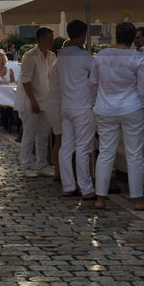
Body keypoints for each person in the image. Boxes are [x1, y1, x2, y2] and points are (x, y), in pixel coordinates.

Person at [91, 21, 144, 210]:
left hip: (105, 109)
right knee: (134, 154)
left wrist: (101, 96)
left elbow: (92, 83)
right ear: (133, 38)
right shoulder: (137, 58)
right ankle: (137, 199)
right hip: (132, 108)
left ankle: (100, 198)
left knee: (105, 153)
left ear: (116, 35)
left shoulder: (100, 56)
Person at [55, 20, 96, 200]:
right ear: (83, 35)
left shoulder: (62, 54)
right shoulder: (84, 55)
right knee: (83, 148)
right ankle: (86, 188)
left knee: (66, 147)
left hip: (66, 105)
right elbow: (97, 75)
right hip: (82, 105)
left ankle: (68, 186)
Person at [15, 27, 56, 178]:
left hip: (46, 100)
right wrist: (33, 101)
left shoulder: (52, 56)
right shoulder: (30, 56)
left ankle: (42, 164)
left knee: (43, 135)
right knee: (29, 134)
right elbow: (25, 80)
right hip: (30, 100)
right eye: (49, 38)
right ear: (41, 38)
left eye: (52, 38)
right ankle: (26, 165)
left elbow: (52, 77)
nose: (52, 41)